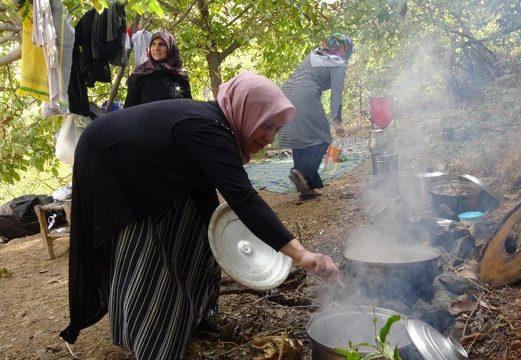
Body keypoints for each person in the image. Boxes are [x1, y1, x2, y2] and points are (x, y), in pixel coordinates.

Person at [59, 72, 340, 360]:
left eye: (276, 129)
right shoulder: (208, 127)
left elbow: (214, 203)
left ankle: (194, 316)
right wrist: (301, 254)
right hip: (112, 163)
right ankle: (154, 341)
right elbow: (243, 198)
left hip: (136, 163)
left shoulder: (216, 123)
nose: (270, 138)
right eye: (266, 125)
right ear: (246, 111)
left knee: (197, 227)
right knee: (152, 249)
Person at [278, 33, 353, 200]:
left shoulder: (315, 54)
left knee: (300, 139)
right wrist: (337, 120)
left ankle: (307, 190)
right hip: (305, 94)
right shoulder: (339, 62)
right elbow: (336, 93)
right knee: (324, 137)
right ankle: (302, 173)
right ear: (344, 50)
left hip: (286, 94)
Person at [123, 30, 191, 108]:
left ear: (170, 48)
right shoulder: (140, 75)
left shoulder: (180, 77)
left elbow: (188, 108)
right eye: (153, 44)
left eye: (161, 44)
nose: (156, 48)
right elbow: (129, 110)